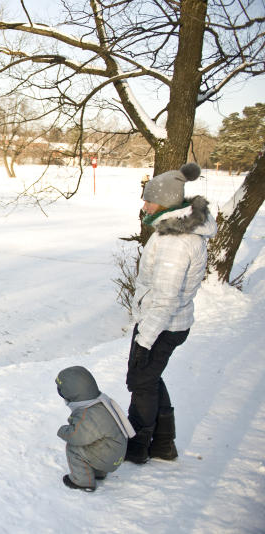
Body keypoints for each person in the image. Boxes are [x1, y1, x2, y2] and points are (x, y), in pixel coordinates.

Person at [125, 162, 217, 464]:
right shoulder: (173, 231)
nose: (145, 203)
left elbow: (165, 298)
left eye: (149, 198)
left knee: (141, 381)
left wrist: (144, 340)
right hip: (166, 321)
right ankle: (163, 444)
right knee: (149, 379)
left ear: (165, 202)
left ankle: (138, 446)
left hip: (161, 323)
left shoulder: (175, 242)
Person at [56, 366, 134, 492]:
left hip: (109, 457)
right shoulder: (98, 401)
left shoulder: (89, 413)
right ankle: (99, 472)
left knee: (74, 448)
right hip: (114, 451)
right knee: (95, 442)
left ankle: (82, 481)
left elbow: (76, 436)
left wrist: (63, 430)